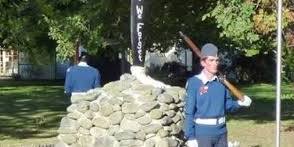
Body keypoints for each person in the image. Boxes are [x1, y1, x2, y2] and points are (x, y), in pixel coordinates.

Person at [184, 43, 252, 147]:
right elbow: (189, 112)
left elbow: (227, 105)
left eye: (216, 60)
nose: (215, 63)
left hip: (221, 131)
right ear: (203, 62)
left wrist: (240, 103)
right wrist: (190, 136)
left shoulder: (221, 83)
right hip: (203, 133)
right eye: (211, 60)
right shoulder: (194, 82)